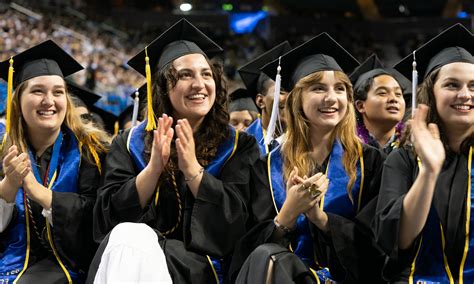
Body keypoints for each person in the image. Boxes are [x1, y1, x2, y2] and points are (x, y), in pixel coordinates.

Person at [88, 19, 260, 283]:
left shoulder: (239, 146)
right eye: (185, 75)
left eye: (206, 74)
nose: (199, 84)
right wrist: (154, 168)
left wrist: (192, 170)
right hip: (134, 259)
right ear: (163, 88)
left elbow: (236, 226)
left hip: (200, 267)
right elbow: (108, 219)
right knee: (130, 237)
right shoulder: (128, 142)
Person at [230, 32, 387, 283]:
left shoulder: (371, 162)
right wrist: (287, 215)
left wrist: (320, 218)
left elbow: (378, 245)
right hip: (285, 276)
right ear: (297, 100)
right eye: (318, 88)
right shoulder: (266, 166)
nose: (331, 98)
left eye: (339, 89)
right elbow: (246, 256)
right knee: (269, 255)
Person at [0, 40, 110, 283]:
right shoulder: (1, 148)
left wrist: (38, 192)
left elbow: (99, 217)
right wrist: (9, 185)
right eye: (38, 91)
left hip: (70, 262)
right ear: (17, 100)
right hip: (9, 258)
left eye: (58, 92)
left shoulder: (92, 151)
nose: (49, 101)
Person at [374, 23, 474, 282]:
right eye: (452, 85)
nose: (465, 94)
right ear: (431, 93)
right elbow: (399, 241)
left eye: (473, 86)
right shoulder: (403, 159)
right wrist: (429, 171)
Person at [350, 54, 411, 154]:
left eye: (398, 94)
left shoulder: (413, 145)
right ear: (361, 106)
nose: (393, 99)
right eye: (382, 93)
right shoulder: (345, 148)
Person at [238, 41, 292, 154]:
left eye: (293, 92)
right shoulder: (240, 146)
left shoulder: (310, 144)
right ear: (260, 101)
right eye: (280, 91)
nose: (289, 98)